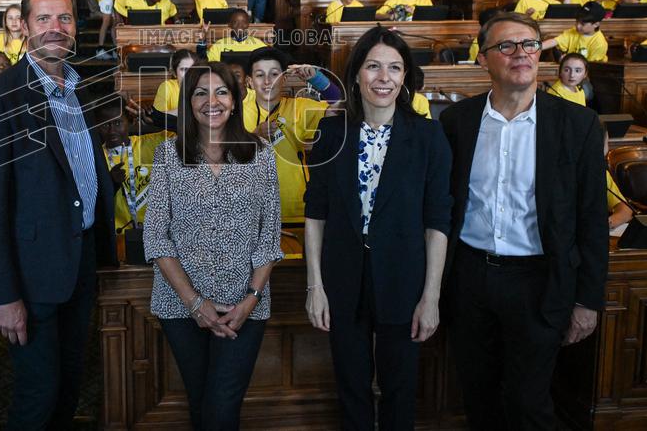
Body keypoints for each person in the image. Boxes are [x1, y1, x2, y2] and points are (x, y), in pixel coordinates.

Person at [439, 11, 609, 430]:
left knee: (528, 402)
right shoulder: (457, 121)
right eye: (506, 46)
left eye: (530, 44)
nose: (521, 53)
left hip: (540, 281)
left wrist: (588, 300)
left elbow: (592, 217)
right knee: (478, 396)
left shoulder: (578, 124)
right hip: (470, 278)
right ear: (483, 58)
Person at [0, 0, 117, 431]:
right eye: (44, 18)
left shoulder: (79, 89)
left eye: (64, 18)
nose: (56, 27)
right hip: (30, 277)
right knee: (38, 393)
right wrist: (3, 294)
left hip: (80, 261)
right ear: (25, 27)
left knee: (70, 384)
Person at [305, 26, 452, 431]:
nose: (383, 77)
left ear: (405, 78)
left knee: (399, 389)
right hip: (342, 279)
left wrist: (431, 296)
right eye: (373, 66)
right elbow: (316, 213)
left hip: (404, 280)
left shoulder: (428, 136)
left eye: (394, 68)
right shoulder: (331, 132)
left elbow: (437, 221)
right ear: (356, 74)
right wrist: (315, 285)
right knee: (350, 385)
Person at [144, 62, 282, 430]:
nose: (212, 101)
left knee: (222, 407)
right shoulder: (168, 155)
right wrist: (195, 303)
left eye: (221, 92)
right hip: (180, 306)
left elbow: (269, 237)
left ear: (235, 101)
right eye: (200, 93)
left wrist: (250, 299)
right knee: (201, 402)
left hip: (244, 305)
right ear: (188, 103)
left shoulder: (261, 155)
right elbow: (157, 237)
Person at [244, 47, 340, 220]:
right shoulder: (235, 111)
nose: (267, 81)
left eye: (274, 74)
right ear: (249, 81)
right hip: (250, 210)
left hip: (295, 208)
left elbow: (340, 108)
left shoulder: (299, 107)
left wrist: (318, 80)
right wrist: (254, 136)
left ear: (284, 79)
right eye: (259, 75)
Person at [96, 98, 168, 231]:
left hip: (160, 232)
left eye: (118, 123)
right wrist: (110, 185)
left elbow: (191, 134)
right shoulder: (96, 159)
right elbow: (93, 206)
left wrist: (158, 118)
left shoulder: (152, 143)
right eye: (105, 125)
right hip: (120, 237)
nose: (112, 131)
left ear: (129, 121)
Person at [543, 2, 608, 62]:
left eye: (582, 24)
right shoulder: (574, 31)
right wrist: (537, 46)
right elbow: (554, 41)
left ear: (596, 24)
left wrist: (568, 61)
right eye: (577, 21)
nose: (577, 26)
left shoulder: (600, 44)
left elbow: (590, 66)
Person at [153, 49, 199, 114]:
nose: (189, 74)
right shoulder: (167, 87)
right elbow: (159, 116)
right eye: (183, 69)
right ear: (174, 73)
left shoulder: (203, 87)